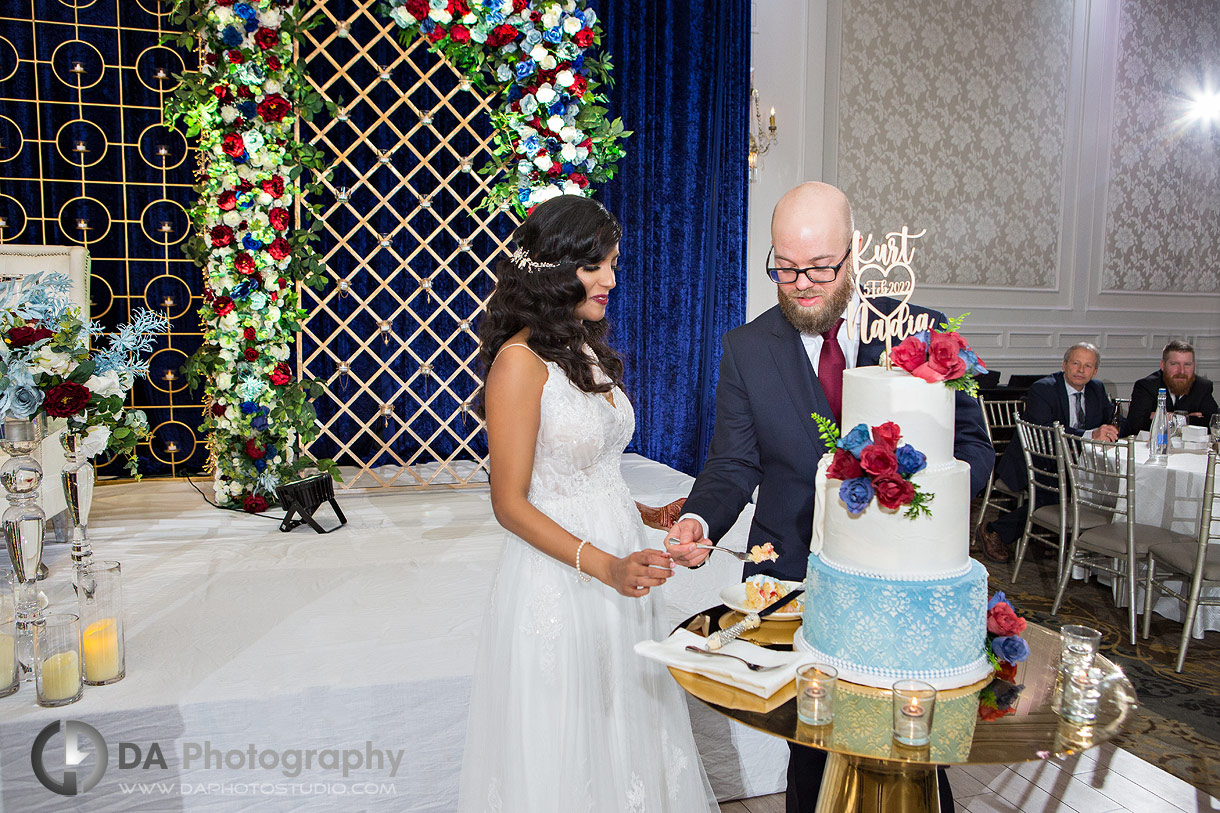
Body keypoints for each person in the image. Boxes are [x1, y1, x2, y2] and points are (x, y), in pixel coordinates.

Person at [665, 182, 994, 813]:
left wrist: (906, 499)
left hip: (908, 585)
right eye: (784, 268)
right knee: (812, 748)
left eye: (820, 266)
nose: (802, 284)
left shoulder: (923, 334)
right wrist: (699, 516)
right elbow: (733, 463)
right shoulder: (746, 349)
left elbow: (976, 453)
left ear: (857, 251)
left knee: (913, 744)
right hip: (794, 578)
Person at [457, 195, 719, 812]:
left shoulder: (585, 351)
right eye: (594, 266)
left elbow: (589, 470)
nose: (611, 279)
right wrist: (603, 564)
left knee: (626, 729)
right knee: (568, 736)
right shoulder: (518, 363)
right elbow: (510, 503)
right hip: (563, 578)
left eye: (613, 264)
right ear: (552, 268)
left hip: (619, 568)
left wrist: (649, 517)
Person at [974, 343, 1118, 564]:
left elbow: (1111, 418)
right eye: (1076, 363)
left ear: (1095, 371)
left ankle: (1075, 544)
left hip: (1075, 461)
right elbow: (1046, 432)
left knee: (1106, 487)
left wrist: (1114, 429)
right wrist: (1090, 434)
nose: (1081, 370)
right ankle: (995, 530)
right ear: (1064, 365)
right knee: (1058, 491)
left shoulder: (1097, 389)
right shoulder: (1044, 388)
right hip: (1035, 459)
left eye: (1088, 366)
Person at [1123, 340, 1217, 436]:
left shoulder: (1202, 386)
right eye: (1175, 364)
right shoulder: (1146, 386)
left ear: (1194, 366)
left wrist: (1168, 417)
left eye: (1187, 364)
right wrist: (1187, 419)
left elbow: (1214, 423)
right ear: (1163, 366)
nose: (1182, 371)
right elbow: (1136, 426)